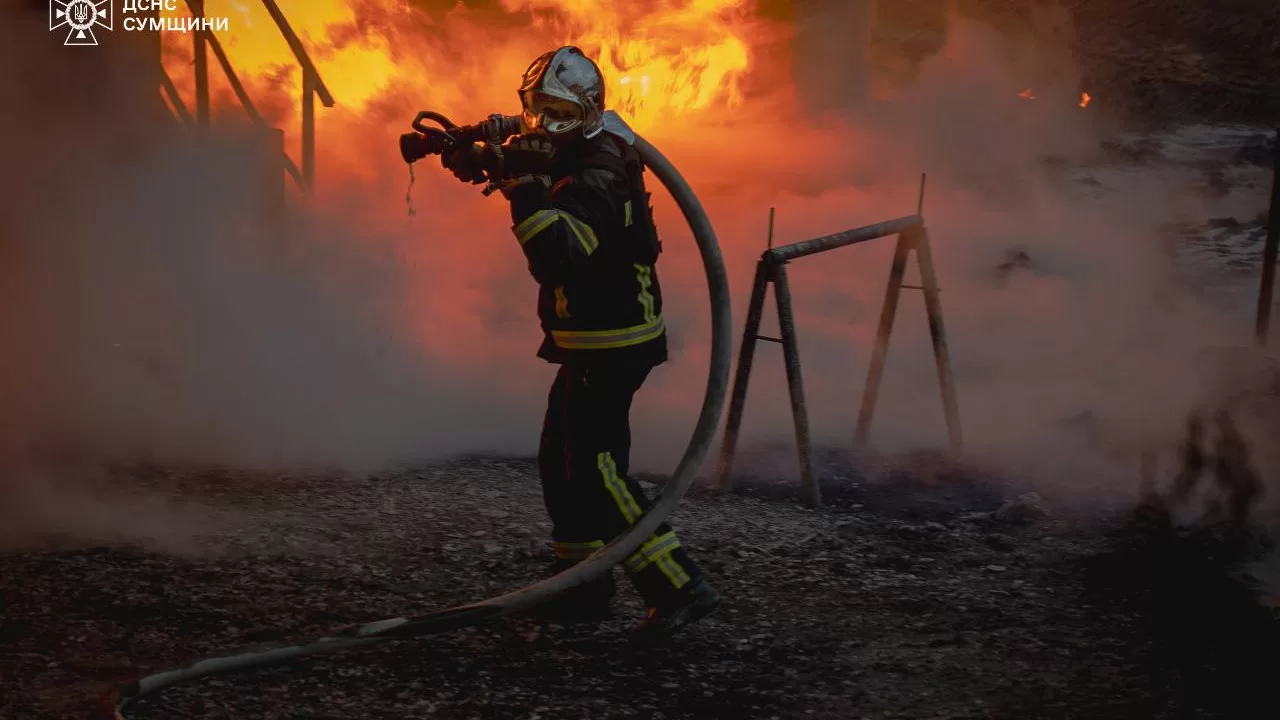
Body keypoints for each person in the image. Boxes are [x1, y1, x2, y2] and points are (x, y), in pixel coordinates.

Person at [440, 46, 721, 638]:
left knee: (596, 468)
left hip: (614, 339)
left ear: (588, 109)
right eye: (535, 108)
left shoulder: (599, 169)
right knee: (559, 457)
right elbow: (529, 152)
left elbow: (556, 251)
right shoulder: (570, 141)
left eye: (556, 110)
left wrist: (524, 184)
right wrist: (480, 153)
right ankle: (582, 585)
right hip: (587, 336)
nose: (543, 122)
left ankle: (678, 585)